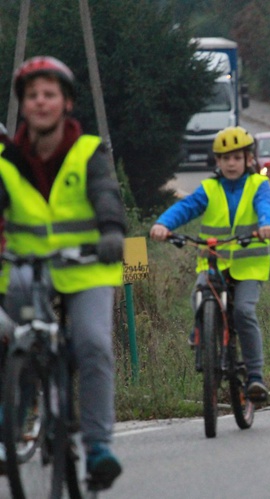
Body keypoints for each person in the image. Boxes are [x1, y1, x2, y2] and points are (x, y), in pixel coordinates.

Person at [0, 56, 125, 489]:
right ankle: (12, 423)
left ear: (66, 102)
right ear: (23, 105)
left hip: (88, 267)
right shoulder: (7, 159)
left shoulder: (88, 151)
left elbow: (106, 195)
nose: (40, 102)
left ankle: (98, 447)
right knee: (11, 337)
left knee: (92, 344)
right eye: (32, 95)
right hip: (27, 271)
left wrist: (111, 232)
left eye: (49, 94)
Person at [150, 126, 270, 402]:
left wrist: (267, 224)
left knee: (243, 312)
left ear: (248, 160)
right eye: (225, 158)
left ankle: (255, 376)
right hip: (213, 263)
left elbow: (266, 206)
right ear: (217, 162)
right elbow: (186, 208)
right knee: (200, 296)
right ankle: (203, 333)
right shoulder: (209, 188)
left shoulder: (258, 185)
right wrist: (163, 224)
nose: (231, 164)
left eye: (237, 158)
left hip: (249, 266)